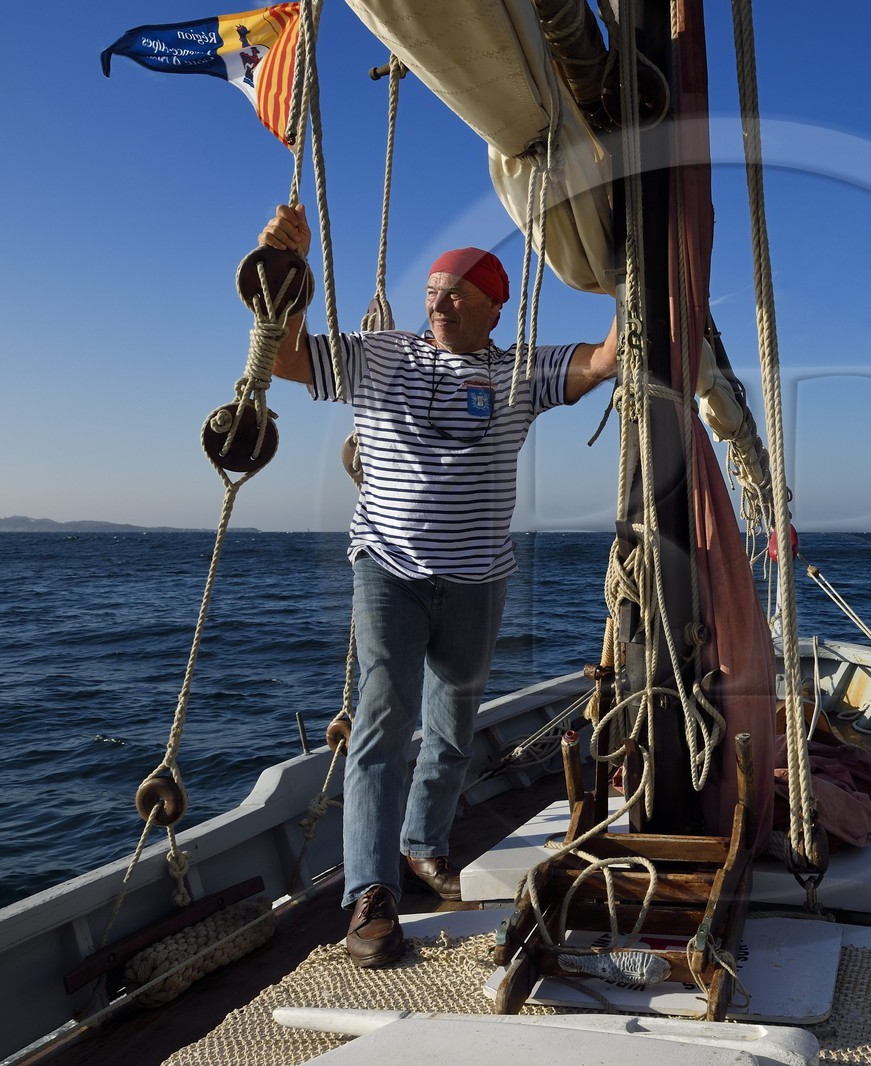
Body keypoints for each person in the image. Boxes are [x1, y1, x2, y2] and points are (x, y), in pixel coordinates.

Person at [258, 204, 619, 968]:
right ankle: (370, 893)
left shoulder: (522, 371)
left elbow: (609, 356)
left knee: (453, 730)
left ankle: (424, 845)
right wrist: (285, 272)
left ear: (496, 303)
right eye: (431, 293)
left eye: (455, 292)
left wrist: (629, 269)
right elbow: (287, 359)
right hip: (388, 570)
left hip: (479, 581)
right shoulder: (380, 355)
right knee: (383, 725)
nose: (438, 303)